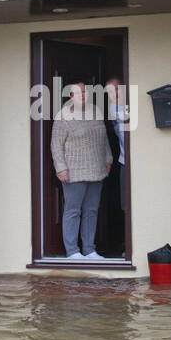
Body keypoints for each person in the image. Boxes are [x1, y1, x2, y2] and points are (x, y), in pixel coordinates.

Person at [51, 81, 112, 260]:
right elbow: (56, 145)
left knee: (91, 210)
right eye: (78, 93)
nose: (83, 95)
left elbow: (103, 137)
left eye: (85, 92)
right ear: (71, 96)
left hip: (97, 169)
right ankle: (72, 251)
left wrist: (108, 158)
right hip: (73, 171)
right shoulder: (63, 116)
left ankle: (89, 250)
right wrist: (61, 168)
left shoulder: (96, 112)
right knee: (73, 211)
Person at [104, 76, 128, 212]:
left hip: (138, 160)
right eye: (110, 92)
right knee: (125, 204)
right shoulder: (112, 107)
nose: (115, 94)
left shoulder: (131, 103)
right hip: (123, 159)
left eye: (117, 89)